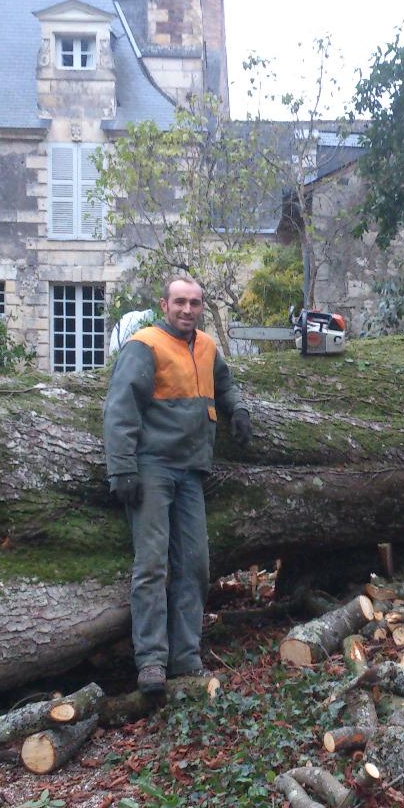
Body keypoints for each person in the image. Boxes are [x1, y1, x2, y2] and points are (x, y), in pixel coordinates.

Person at [102, 277, 251, 695]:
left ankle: (185, 657)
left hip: (192, 471)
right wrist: (122, 470)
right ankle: (151, 661)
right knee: (152, 565)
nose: (187, 310)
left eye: (195, 303)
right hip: (152, 469)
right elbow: (120, 409)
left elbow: (224, 383)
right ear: (164, 304)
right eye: (180, 302)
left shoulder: (205, 346)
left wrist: (236, 410)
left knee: (196, 565)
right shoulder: (144, 345)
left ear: (202, 307)